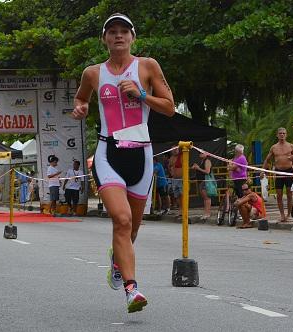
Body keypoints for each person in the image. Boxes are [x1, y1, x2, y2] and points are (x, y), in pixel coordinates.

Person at [72, 13, 175, 313]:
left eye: (124, 32)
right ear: (104, 39)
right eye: (112, 32)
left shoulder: (147, 66)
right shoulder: (92, 73)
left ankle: (118, 260)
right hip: (109, 153)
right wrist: (80, 109)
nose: (118, 36)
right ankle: (132, 290)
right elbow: (81, 99)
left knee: (132, 230)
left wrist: (142, 94)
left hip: (141, 155)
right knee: (122, 219)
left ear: (133, 38)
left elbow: (169, 107)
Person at [263, 127, 293, 222]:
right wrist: (262, 171)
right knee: (279, 195)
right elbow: (267, 160)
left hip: (289, 171)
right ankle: (282, 214)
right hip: (278, 172)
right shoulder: (274, 147)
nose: (282, 135)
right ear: (277, 135)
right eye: (280, 133)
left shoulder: (291, 146)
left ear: (286, 135)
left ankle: (289, 214)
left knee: (290, 194)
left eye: (284, 133)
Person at [192, 152, 213, 220]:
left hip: (205, 181)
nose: (200, 154)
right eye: (199, 153)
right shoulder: (202, 161)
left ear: (206, 154)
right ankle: (205, 212)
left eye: (202, 153)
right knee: (204, 198)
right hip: (201, 181)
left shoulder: (207, 161)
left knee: (207, 198)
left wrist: (198, 168)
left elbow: (207, 171)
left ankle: (208, 213)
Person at [169, 148, 183, 215]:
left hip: (181, 178)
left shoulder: (182, 156)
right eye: (173, 149)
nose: (174, 150)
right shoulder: (171, 158)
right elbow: (169, 166)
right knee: (176, 195)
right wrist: (171, 172)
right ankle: (180, 209)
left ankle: (183, 209)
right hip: (174, 178)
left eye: (176, 149)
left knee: (182, 194)